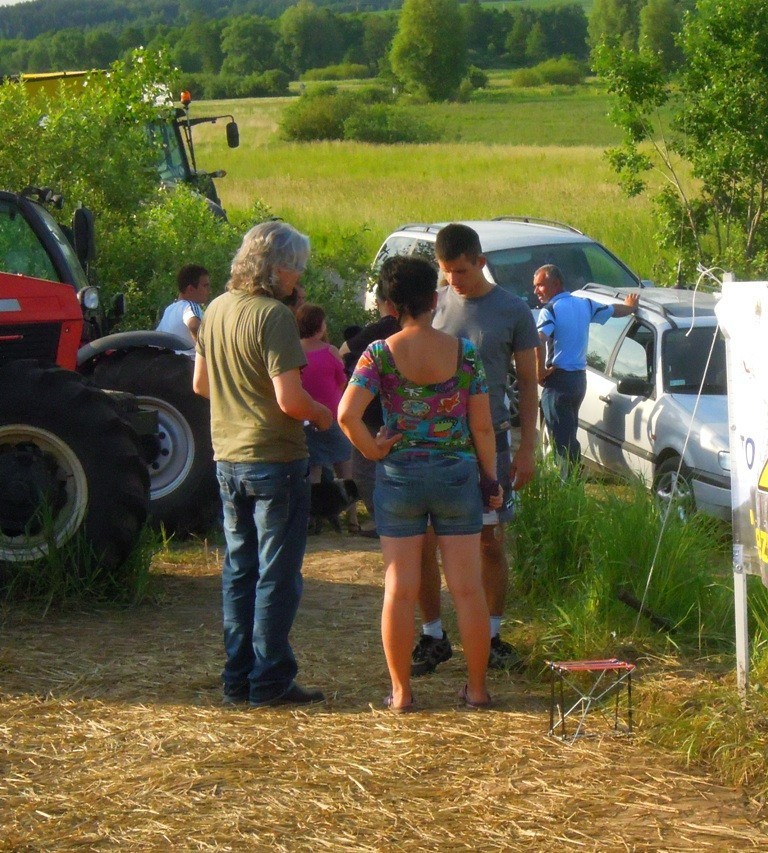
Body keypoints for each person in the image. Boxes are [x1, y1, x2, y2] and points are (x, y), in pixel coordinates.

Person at [338, 255, 502, 712]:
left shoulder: (378, 354)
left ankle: (402, 693)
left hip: (401, 476)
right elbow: (483, 428)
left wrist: (373, 449)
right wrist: (490, 478)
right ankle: (477, 689)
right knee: (468, 588)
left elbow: (346, 415)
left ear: (390, 304)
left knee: (399, 587)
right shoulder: (464, 352)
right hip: (455, 476)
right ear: (434, 298)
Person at [192, 221, 333, 708]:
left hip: (227, 456)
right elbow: (290, 400)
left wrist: (239, 399)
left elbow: (201, 386)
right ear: (277, 268)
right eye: (297, 268)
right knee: (277, 574)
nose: (299, 278)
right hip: (274, 458)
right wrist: (321, 415)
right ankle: (270, 679)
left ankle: (237, 676)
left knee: (238, 570)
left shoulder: (215, 309)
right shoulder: (273, 316)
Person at [412, 223, 540, 678]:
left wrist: (528, 447)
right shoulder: (433, 304)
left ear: (481, 262)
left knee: (488, 541)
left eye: (461, 271)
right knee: (425, 541)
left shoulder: (513, 310)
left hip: (494, 439)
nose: (453, 281)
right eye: (446, 272)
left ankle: (490, 634)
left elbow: (528, 381)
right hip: (437, 440)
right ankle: (432, 634)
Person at [534, 264, 639, 466]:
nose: (536, 291)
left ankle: (567, 481)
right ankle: (571, 474)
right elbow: (613, 311)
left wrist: (539, 371)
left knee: (559, 439)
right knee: (570, 430)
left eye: (540, 286)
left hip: (558, 380)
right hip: (579, 381)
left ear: (556, 284)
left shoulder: (550, 311)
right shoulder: (584, 304)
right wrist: (630, 307)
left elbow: (538, 340)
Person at [338, 279, 401, 538]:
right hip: (404, 407)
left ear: (382, 303)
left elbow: (343, 350)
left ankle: (383, 519)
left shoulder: (379, 330)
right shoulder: (418, 329)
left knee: (364, 469)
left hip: (371, 406)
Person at [296, 302, 359, 532]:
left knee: (314, 469)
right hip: (331, 416)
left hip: (305, 416)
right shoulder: (330, 350)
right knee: (344, 464)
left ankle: (312, 517)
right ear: (319, 325)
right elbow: (342, 381)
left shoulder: (293, 350)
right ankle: (352, 518)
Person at [156, 263, 211, 355]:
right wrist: (209, 351)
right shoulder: (190, 306)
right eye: (205, 286)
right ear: (190, 289)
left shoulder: (169, 310)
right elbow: (193, 325)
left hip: (173, 364)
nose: (209, 290)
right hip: (191, 364)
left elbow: (157, 340)